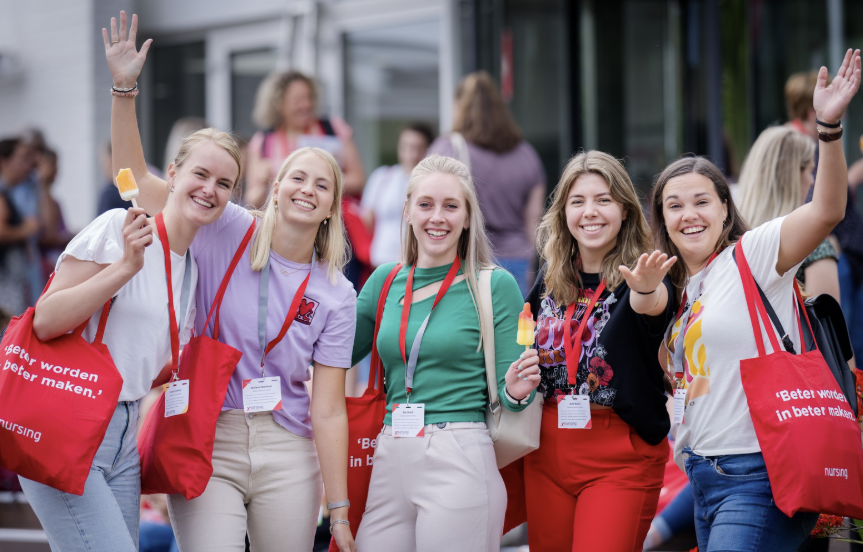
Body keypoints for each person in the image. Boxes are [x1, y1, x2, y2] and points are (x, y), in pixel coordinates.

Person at [105, 11, 356, 552]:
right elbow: (131, 178)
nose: (307, 190)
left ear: (333, 204)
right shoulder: (224, 227)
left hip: (289, 447)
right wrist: (124, 89)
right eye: (297, 177)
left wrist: (337, 511)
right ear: (275, 184)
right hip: (208, 430)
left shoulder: (336, 292)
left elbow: (330, 408)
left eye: (322, 184)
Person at [650, 49, 860, 552]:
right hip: (702, 477)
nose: (689, 215)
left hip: (761, 475)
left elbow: (828, 210)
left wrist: (828, 128)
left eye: (702, 201)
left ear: (726, 208)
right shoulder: (677, 290)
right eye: (674, 205)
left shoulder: (754, 255)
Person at [20, 127, 239, 552]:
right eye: (201, 174)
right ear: (172, 174)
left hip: (124, 437)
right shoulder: (120, 226)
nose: (210, 189)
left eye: (224, 183)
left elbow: (143, 359)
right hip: (71, 421)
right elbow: (44, 321)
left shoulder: (190, 269)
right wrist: (124, 267)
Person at [351, 154, 540, 552]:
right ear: (406, 211)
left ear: (468, 217)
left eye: (451, 206)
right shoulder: (384, 281)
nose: (438, 217)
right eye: (426, 204)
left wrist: (517, 391)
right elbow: (332, 354)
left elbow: (513, 400)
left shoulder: (494, 285)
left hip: (458, 454)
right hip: (388, 451)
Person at [523, 150, 677, 552]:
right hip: (547, 453)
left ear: (625, 210)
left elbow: (654, 304)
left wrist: (646, 288)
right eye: (578, 201)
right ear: (563, 214)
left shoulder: (643, 274)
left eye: (603, 199)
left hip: (619, 455)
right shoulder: (550, 278)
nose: (590, 212)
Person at [246, 70, 370, 290]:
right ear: (278, 104)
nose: (305, 105)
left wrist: (325, 187)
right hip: (282, 234)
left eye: (309, 98)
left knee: (338, 287)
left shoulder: (332, 129)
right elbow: (252, 200)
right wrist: (264, 180)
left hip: (333, 229)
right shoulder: (264, 141)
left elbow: (358, 178)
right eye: (297, 100)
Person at [428, 71, 545, 294]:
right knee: (513, 327)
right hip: (518, 260)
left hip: (467, 257)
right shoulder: (526, 153)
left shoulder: (447, 149)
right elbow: (533, 219)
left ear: (459, 106)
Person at [737, 126, 840, 300]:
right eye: (810, 170)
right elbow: (824, 325)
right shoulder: (813, 248)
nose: (813, 180)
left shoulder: (731, 240)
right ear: (792, 177)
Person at [361, 122, 435, 268]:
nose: (411, 154)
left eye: (418, 148)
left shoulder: (432, 183)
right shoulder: (382, 176)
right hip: (379, 261)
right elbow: (366, 218)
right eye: (406, 146)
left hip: (417, 262)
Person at [0, 138, 40, 315]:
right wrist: (25, 230)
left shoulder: (9, 192)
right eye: (22, 159)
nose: (27, 166)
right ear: (4, 161)